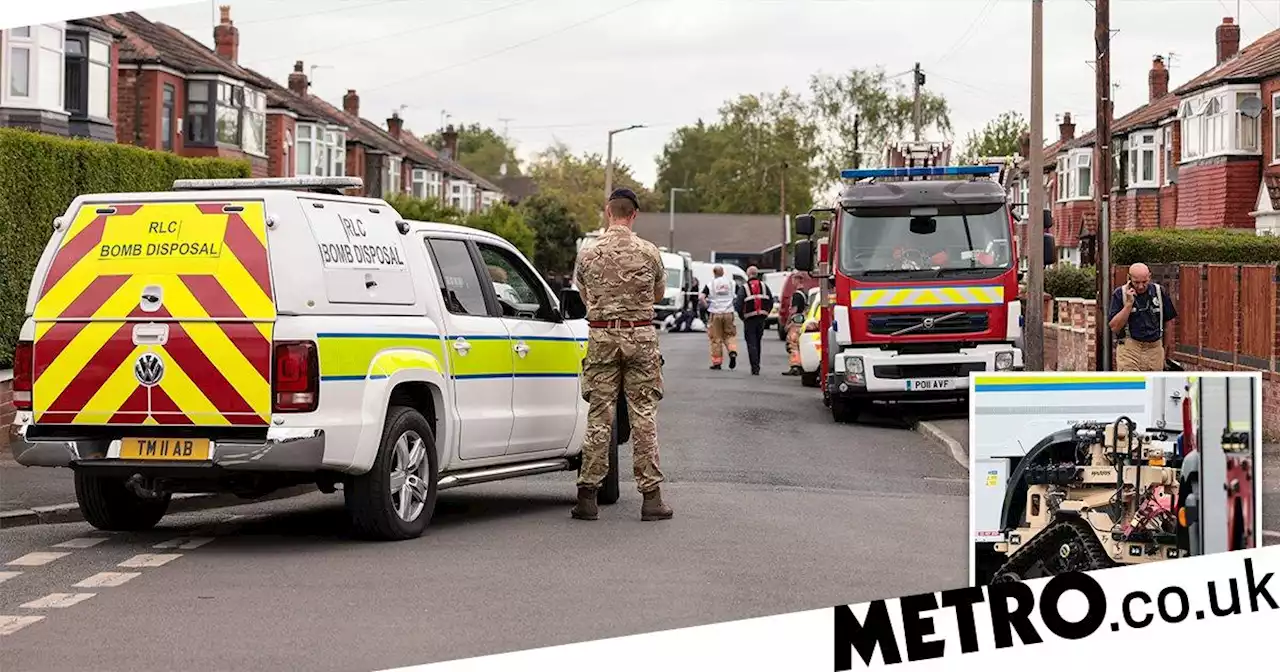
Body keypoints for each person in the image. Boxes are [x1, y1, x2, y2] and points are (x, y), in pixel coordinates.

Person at [571, 188, 673, 522]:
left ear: (607, 211)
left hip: (601, 335)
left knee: (599, 414)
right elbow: (658, 293)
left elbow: (584, 295)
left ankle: (587, 496)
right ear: (634, 214)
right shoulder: (649, 252)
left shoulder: (588, 253)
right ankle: (651, 498)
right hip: (640, 335)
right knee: (643, 413)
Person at [1108, 262, 1178, 371]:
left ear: (1149, 277)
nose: (1141, 286)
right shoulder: (1120, 293)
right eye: (1136, 282)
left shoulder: (1159, 292)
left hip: (1154, 348)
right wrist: (1128, 305)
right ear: (1129, 278)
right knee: (1130, 384)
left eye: (1144, 282)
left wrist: (1165, 349)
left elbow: (1169, 321)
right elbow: (1114, 327)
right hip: (1130, 349)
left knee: (1153, 385)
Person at [735, 266, 774, 375]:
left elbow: (738, 304)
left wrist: (742, 316)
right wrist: (766, 313)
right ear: (756, 274)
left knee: (751, 342)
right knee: (758, 341)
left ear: (748, 274)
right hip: (761, 318)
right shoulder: (764, 286)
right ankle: (757, 364)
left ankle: (755, 367)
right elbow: (770, 301)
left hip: (749, 319)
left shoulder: (744, 287)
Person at [701, 265, 739, 370]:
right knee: (730, 335)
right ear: (723, 272)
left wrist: (706, 306)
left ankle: (717, 363)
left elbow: (701, 297)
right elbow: (739, 295)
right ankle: (732, 351)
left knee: (716, 338)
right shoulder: (732, 283)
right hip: (728, 313)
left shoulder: (710, 284)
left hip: (715, 313)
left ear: (714, 273)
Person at [783, 288, 808, 376]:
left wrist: (787, 323)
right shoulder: (804, 294)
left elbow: (794, 310)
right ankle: (800, 365)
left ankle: (795, 366)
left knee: (792, 345)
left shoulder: (796, 295)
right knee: (799, 345)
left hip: (795, 322)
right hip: (802, 321)